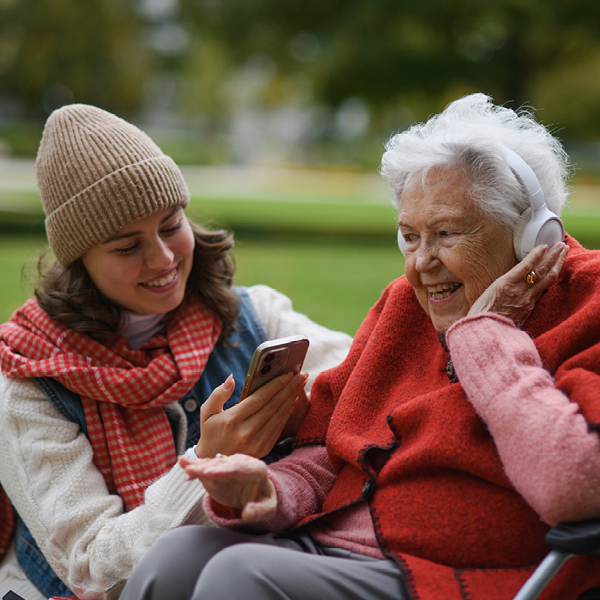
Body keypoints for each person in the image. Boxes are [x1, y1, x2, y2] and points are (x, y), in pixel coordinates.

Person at [119, 93, 600, 600]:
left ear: (530, 234)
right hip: (341, 547)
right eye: (409, 237)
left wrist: (488, 335)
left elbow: (575, 486)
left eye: (444, 233)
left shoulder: (588, 302)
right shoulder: (404, 306)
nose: (421, 263)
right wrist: (267, 492)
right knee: (174, 558)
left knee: (240, 577)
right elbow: (333, 453)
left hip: (463, 574)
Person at [0, 104, 353, 600]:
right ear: (80, 261)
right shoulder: (27, 377)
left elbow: (371, 383)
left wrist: (310, 414)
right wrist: (208, 462)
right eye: (127, 247)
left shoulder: (254, 315)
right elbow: (90, 568)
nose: (163, 258)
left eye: (171, 225)